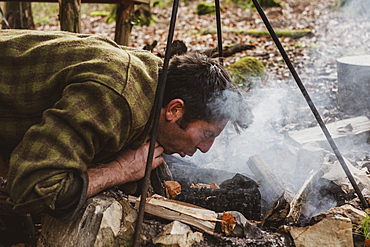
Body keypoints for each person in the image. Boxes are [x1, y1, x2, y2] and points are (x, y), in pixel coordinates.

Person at [0, 29, 252, 245]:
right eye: (207, 134)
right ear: (175, 110)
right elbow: (32, 189)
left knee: (18, 228)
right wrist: (119, 170)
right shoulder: (115, 98)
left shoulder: (154, 80)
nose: (207, 149)